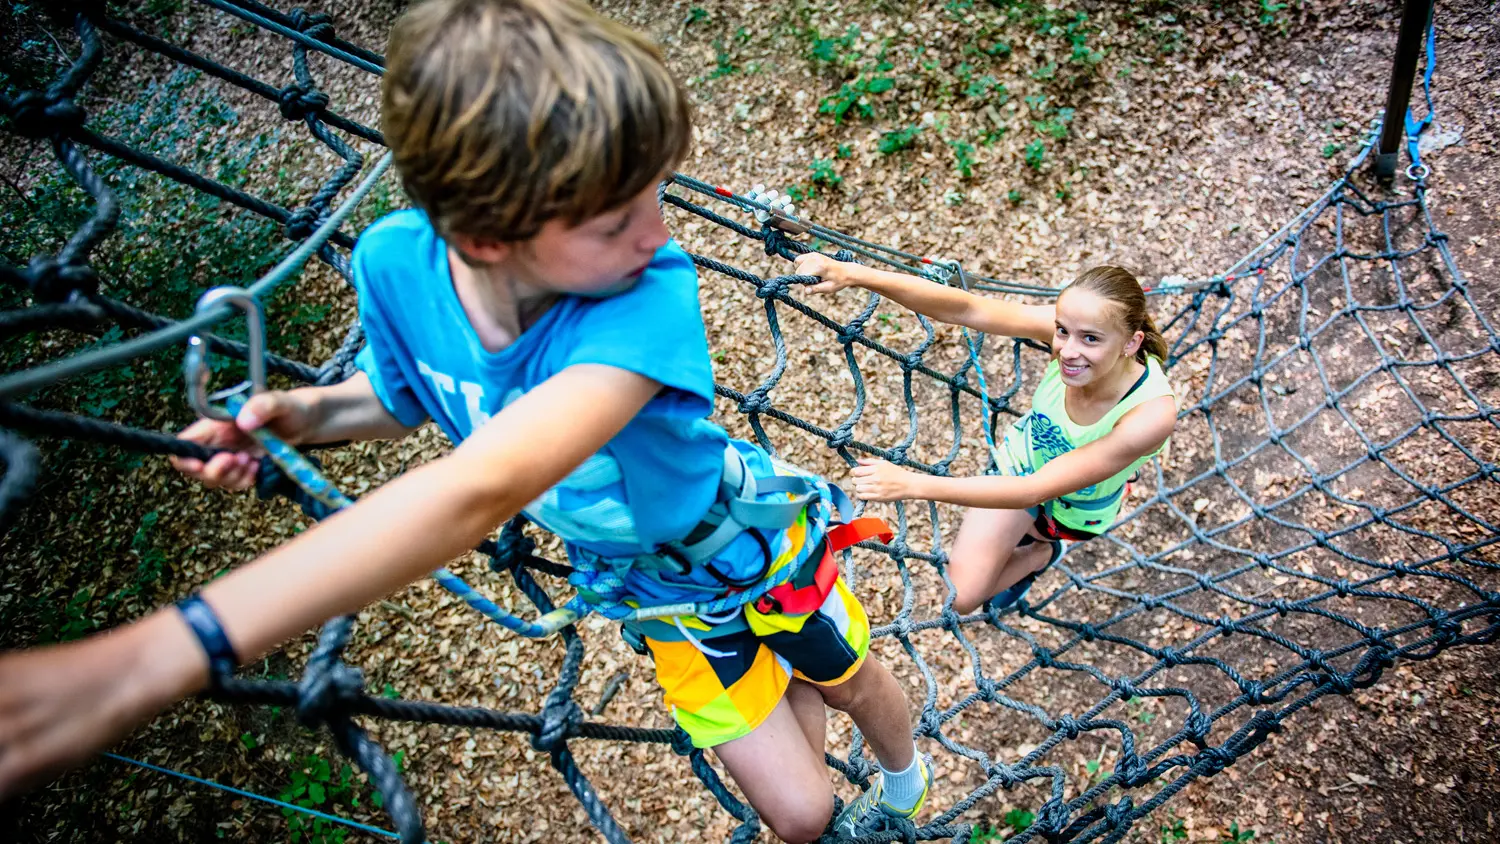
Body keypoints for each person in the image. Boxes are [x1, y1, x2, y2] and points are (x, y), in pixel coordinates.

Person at [0, 1, 930, 839]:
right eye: (615, 221)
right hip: (649, 591)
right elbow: (408, 397)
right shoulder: (397, 267)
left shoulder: (646, 297)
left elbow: (484, 482)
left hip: (745, 543)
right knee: (803, 817)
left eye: (658, 192)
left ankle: (903, 783)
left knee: (846, 678)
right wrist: (301, 414)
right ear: (486, 238)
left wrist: (156, 658)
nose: (658, 232)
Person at [795, 254, 1177, 615]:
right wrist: (853, 274)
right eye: (1062, 332)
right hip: (1022, 467)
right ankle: (1029, 550)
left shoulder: (1150, 415)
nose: (1067, 351)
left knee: (1025, 546)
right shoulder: (1075, 327)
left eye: (1091, 339)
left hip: (1074, 511)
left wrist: (911, 484)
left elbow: (1035, 491)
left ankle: (1043, 552)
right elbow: (967, 308)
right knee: (960, 599)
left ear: (1132, 343)